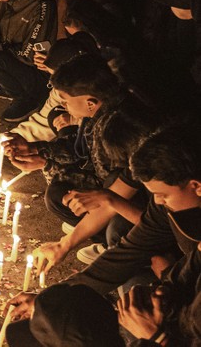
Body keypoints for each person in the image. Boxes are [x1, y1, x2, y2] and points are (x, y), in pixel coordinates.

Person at [5, 121, 201, 346]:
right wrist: (53, 307)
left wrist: (157, 338)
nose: (157, 202)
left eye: (162, 195)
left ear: (196, 186)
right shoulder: (171, 207)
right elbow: (132, 249)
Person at [23, 54, 155, 269]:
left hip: (144, 209)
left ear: (90, 103)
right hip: (123, 190)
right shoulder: (103, 115)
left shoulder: (123, 131)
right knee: (61, 194)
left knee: (118, 226)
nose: (64, 107)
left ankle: (121, 248)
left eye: (66, 101)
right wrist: (44, 156)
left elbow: (115, 194)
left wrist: (66, 244)